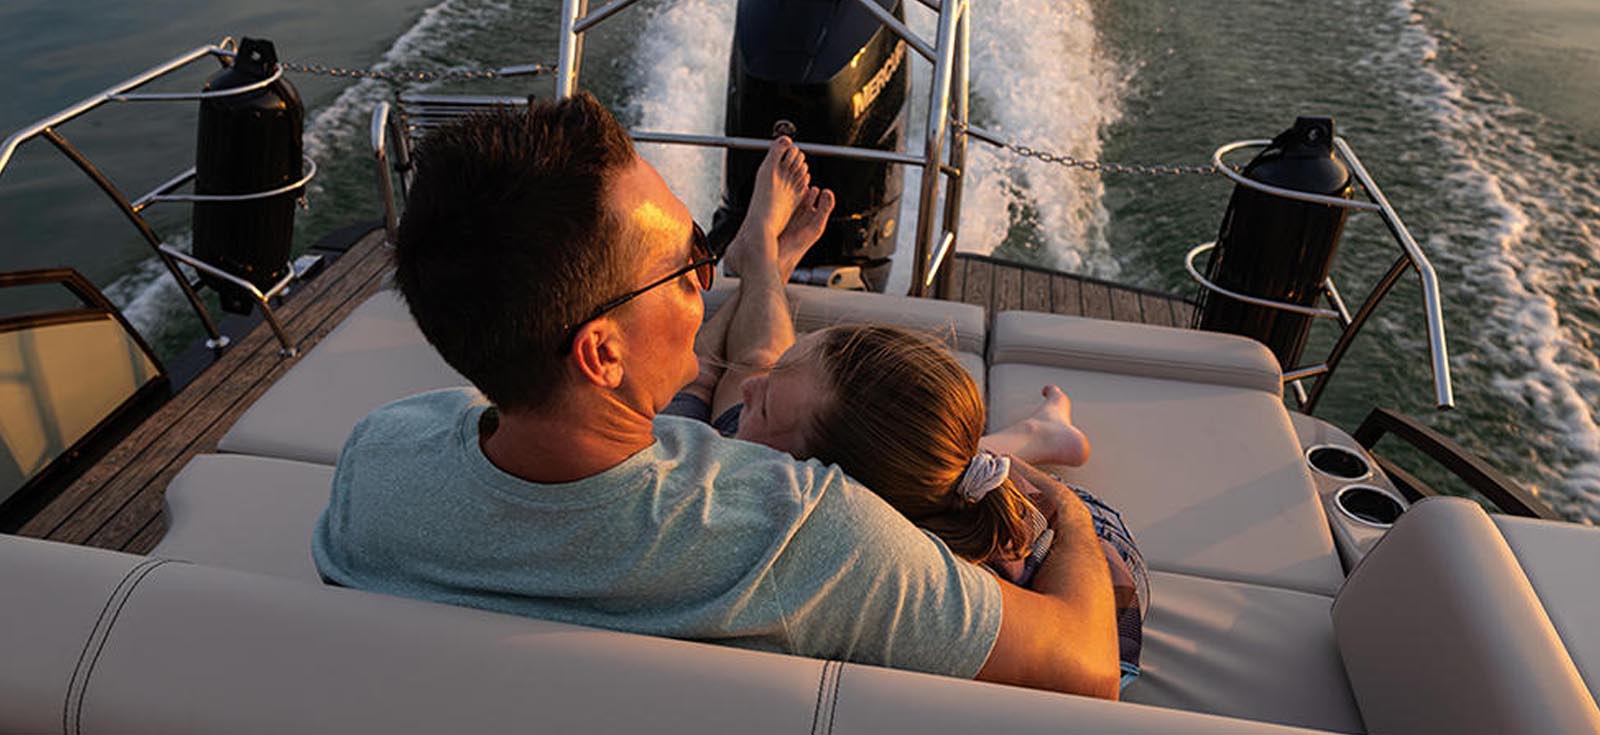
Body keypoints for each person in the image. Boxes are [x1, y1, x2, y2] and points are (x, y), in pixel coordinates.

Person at [312, 93, 1121, 699]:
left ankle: (760, 257)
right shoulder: (803, 535)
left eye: (704, 256)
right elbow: (1087, 664)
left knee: (749, 377)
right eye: (687, 266)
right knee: (755, 375)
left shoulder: (376, 461)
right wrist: (1070, 515)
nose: (702, 283)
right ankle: (762, 260)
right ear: (601, 353)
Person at [676, 320, 1148, 688]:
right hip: (973, 495)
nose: (750, 386)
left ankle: (1035, 437)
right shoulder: (861, 503)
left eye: (765, 405)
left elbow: (1096, 668)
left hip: (1095, 556)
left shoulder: (900, 568)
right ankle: (1036, 436)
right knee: (925, 460)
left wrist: (1067, 508)